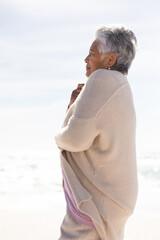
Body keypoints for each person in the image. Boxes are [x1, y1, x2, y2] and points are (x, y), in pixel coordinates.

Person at [55, 25, 138, 240]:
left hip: (95, 201)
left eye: (92, 54)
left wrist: (57, 136)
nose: (86, 59)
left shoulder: (101, 78)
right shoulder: (122, 86)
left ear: (110, 60)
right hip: (116, 198)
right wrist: (74, 105)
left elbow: (73, 139)